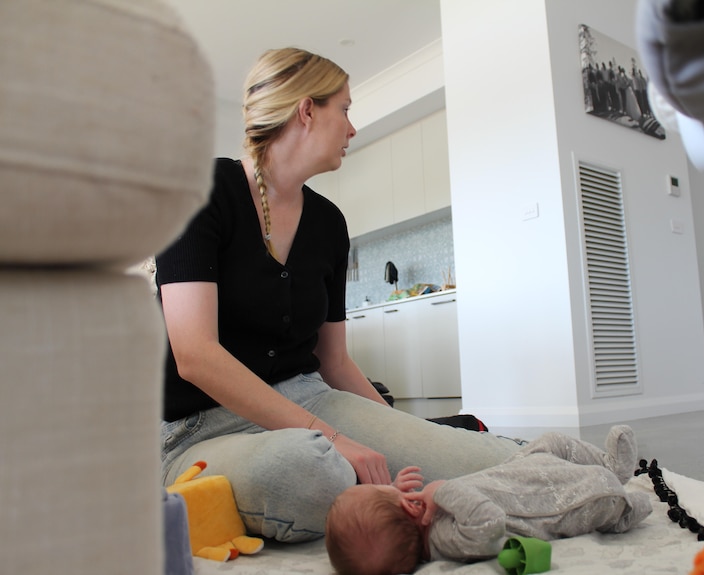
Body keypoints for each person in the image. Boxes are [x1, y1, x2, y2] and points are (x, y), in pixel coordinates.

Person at [155, 47, 524, 543]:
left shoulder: (329, 223)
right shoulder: (199, 191)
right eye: (345, 109)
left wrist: (400, 436)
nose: (352, 128)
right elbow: (195, 355)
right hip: (206, 426)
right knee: (311, 473)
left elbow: (335, 362)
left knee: (500, 461)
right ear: (307, 110)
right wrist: (334, 441)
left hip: (314, 400)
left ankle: (591, 472)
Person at [325, 426, 652, 575]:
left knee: (549, 442)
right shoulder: (449, 542)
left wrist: (396, 489)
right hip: (562, 500)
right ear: (410, 509)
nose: (397, 488)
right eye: (388, 491)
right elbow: (489, 522)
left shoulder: (421, 519)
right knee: (601, 492)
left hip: (514, 477)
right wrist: (440, 489)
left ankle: (610, 464)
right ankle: (624, 505)